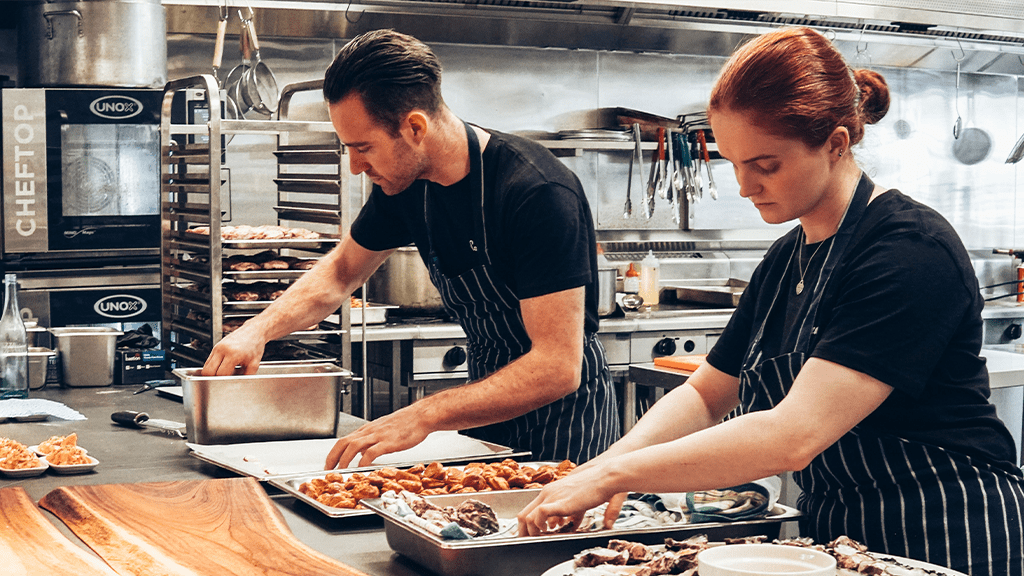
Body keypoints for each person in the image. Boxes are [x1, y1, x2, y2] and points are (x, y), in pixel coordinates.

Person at [517, 27, 1024, 575]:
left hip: (947, 528)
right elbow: (708, 394)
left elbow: (793, 436)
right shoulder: (788, 258)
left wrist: (615, 477)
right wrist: (606, 466)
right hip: (842, 534)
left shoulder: (909, 249)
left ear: (836, 143)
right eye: (732, 163)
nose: (743, 185)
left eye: (765, 164)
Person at [201, 29, 619, 468]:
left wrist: (424, 414)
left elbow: (556, 367)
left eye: (363, 148)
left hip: (567, 428)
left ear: (415, 127)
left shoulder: (535, 191)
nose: (356, 166)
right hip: (484, 411)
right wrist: (257, 331)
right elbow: (342, 271)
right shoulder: (406, 186)